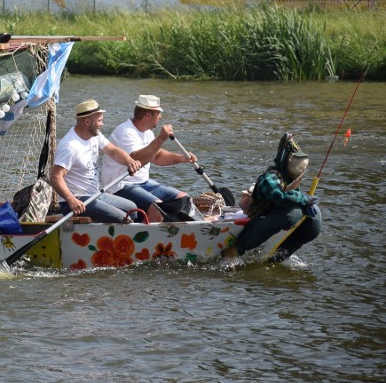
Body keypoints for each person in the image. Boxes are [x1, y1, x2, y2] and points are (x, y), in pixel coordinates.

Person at [223, 133, 321, 262]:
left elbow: (293, 198)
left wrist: (306, 204)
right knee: (294, 213)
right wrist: (302, 199)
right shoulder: (269, 178)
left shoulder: (291, 180)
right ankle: (235, 250)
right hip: (260, 216)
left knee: (314, 216)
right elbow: (279, 197)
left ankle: (277, 257)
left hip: (275, 218)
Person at [101, 95, 200, 222]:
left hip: (144, 183)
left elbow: (157, 156)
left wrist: (181, 158)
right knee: (159, 209)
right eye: (158, 113)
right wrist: (160, 139)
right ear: (148, 115)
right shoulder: (125, 132)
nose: (161, 117)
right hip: (120, 186)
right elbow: (137, 161)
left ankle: (189, 227)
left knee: (183, 199)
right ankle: (148, 236)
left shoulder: (147, 132)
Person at [50, 99, 143, 224]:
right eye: (99, 121)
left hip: (94, 195)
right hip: (76, 201)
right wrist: (71, 200)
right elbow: (56, 177)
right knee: (123, 218)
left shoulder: (95, 135)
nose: (102, 124)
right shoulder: (70, 146)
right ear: (87, 122)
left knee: (132, 208)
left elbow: (113, 151)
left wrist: (129, 161)